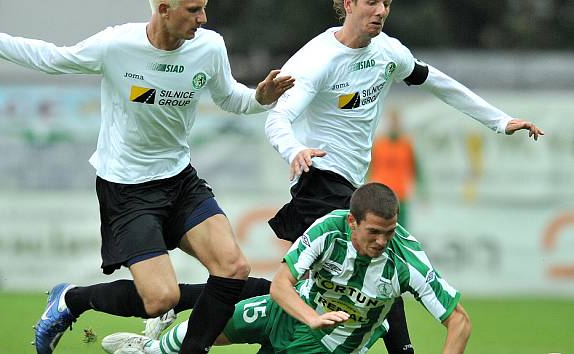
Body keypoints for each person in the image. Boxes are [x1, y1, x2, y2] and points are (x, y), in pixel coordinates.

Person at [0, 1, 295, 353]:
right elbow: (49, 58)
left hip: (179, 180)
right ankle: (71, 300)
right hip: (128, 189)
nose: (202, 18)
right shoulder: (117, 45)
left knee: (233, 268)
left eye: (203, 8)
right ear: (163, 9)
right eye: (193, 9)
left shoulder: (209, 46)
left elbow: (231, 98)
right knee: (160, 298)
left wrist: (259, 98)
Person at [263, 0, 542, 353]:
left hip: (348, 184)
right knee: (382, 263)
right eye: (371, 2)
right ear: (348, 4)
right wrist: (294, 150)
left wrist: (499, 121)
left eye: (386, 3)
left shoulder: (388, 52)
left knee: (302, 286)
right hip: (318, 176)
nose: (380, 10)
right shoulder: (316, 60)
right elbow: (277, 118)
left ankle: (202, 298)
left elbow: (438, 82)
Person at [100, 182, 472, 354]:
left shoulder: (406, 259)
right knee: (202, 328)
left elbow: (459, 321)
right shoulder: (329, 228)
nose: (381, 241)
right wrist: (311, 315)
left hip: (329, 345)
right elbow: (281, 284)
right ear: (353, 223)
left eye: (388, 232)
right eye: (374, 232)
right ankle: (148, 350)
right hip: (288, 311)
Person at [368, 108, 421, 227]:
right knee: (380, 228)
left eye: (396, 122)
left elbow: (416, 169)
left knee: (401, 230)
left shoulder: (406, 145)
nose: (394, 125)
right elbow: (368, 168)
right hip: (381, 195)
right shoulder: (378, 144)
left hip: (400, 195)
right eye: (391, 122)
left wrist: (422, 191)